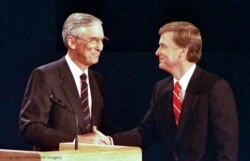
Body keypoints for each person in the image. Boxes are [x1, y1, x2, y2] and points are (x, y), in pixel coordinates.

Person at [111, 21, 239, 161]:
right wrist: (109, 141)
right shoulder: (161, 89)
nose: (157, 52)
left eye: (163, 46)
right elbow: (146, 132)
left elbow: (227, 151)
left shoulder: (215, 88)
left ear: (182, 51)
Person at [19, 13, 110, 151]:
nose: (100, 47)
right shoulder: (45, 75)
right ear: (71, 42)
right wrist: (75, 141)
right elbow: (30, 128)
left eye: (102, 40)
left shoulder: (97, 80)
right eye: (94, 40)